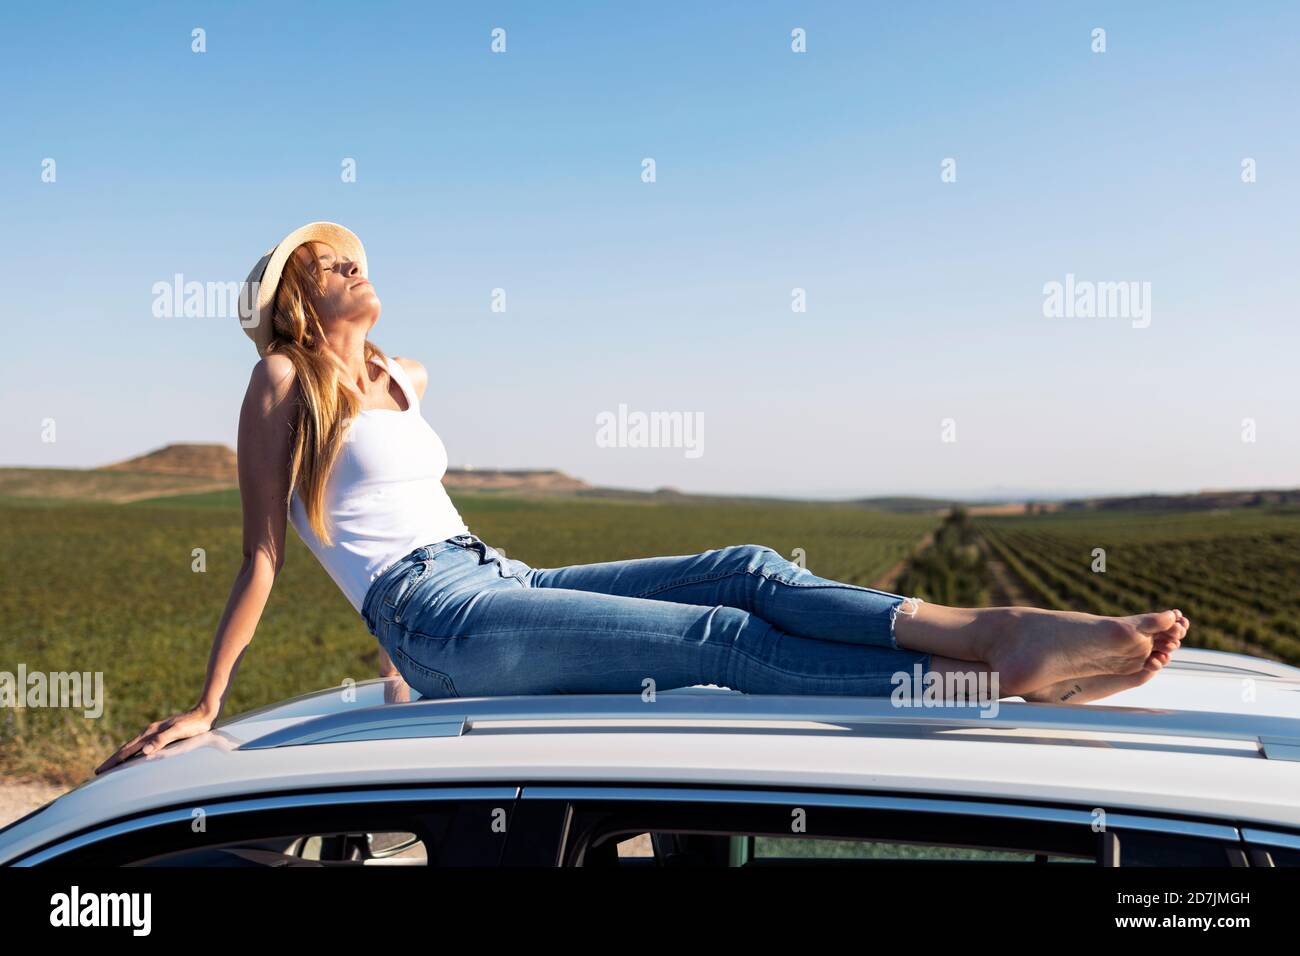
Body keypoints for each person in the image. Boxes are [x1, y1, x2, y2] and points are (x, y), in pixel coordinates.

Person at [95, 222, 1187, 773]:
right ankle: (972, 683)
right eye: (325, 265)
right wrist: (209, 701)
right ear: (296, 295)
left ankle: (989, 633)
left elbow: (414, 518)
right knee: (718, 637)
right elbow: (266, 557)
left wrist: (403, 654)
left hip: (486, 580)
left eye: (350, 255)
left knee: (747, 567)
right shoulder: (285, 382)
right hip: (440, 616)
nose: (349, 268)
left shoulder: (404, 377)